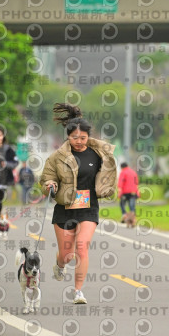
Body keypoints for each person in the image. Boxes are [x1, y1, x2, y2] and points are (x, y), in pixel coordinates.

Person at [39, 103, 117, 304]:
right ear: (68, 136)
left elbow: (107, 173)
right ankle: (60, 264)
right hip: (65, 208)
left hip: (88, 207)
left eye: (83, 138)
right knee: (67, 254)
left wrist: (107, 187)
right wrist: (50, 184)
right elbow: (47, 177)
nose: (79, 141)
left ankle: (78, 292)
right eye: (75, 138)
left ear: (88, 136)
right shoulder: (57, 157)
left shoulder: (99, 154)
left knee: (81, 248)